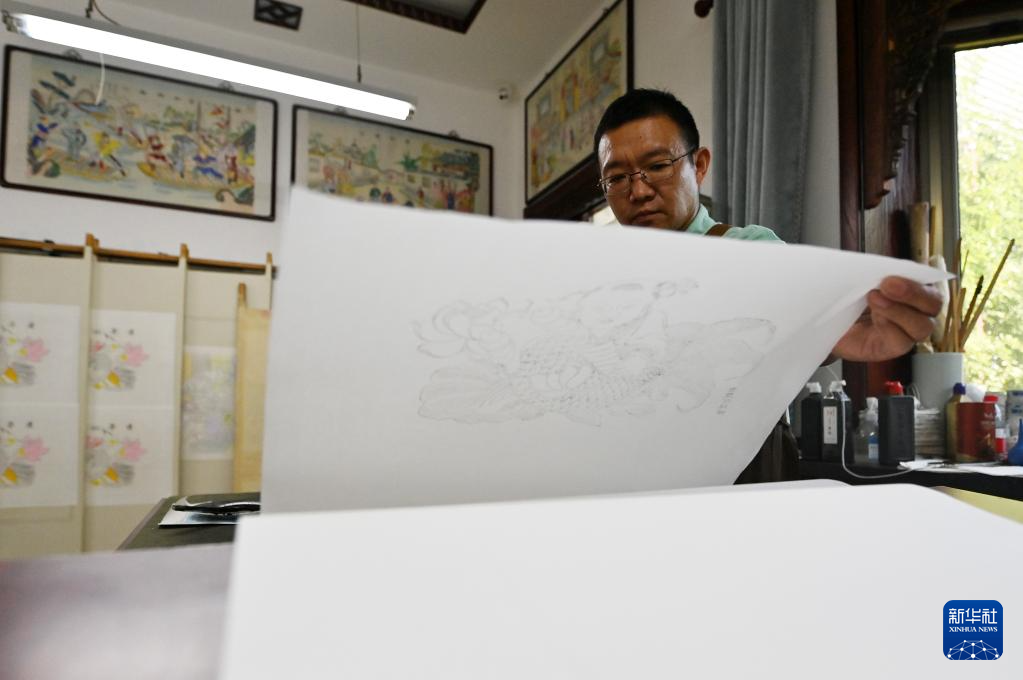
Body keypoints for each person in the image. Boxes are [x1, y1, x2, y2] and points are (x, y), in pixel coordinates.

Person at [593, 89, 943, 482]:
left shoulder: (751, 250)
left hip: (743, 480)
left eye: (658, 166)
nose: (638, 191)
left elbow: (806, 323)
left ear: (700, 165)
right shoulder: (600, 282)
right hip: (632, 477)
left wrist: (831, 329)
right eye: (617, 178)